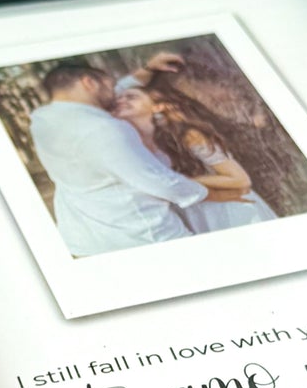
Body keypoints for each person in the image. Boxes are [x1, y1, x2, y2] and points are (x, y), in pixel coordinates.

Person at [27, 62, 216, 256]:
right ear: (89, 83)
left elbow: (101, 98)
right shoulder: (104, 128)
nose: (116, 94)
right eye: (111, 86)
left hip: (85, 240)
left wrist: (146, 70)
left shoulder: (42, 120)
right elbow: (161, 184)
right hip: (144, 238)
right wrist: (213, 192)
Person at [114, 77, 278, 233]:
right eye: (118, 99)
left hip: (228, 210)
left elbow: (240, 179)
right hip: (192, 216)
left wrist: (178, 182)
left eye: (131, 97)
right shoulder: (131, 146)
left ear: (157, 107)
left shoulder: (186, 135)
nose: (122, 101)